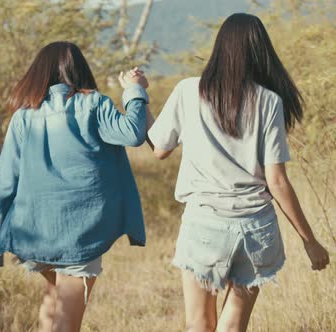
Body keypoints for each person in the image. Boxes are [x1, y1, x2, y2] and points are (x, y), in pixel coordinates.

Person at [145, 13, 330, 332]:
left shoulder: (189, 91)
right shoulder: (269, 101)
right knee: (233, 327)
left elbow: (159, 148)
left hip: (204, 224)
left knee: (199, 324)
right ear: (261, 52)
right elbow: (277, 181)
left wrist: (138, 97)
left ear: (220, 48)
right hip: (256, 230)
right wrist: (309, 240)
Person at [0, 41, 149, 332]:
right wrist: (135, 92)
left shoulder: (24, 115)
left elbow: (6, 178)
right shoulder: (94, 103)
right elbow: (134, 134)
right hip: (80, 233)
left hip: (34, 230)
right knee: (66, 323)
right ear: (80, 70)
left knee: (52, 305)